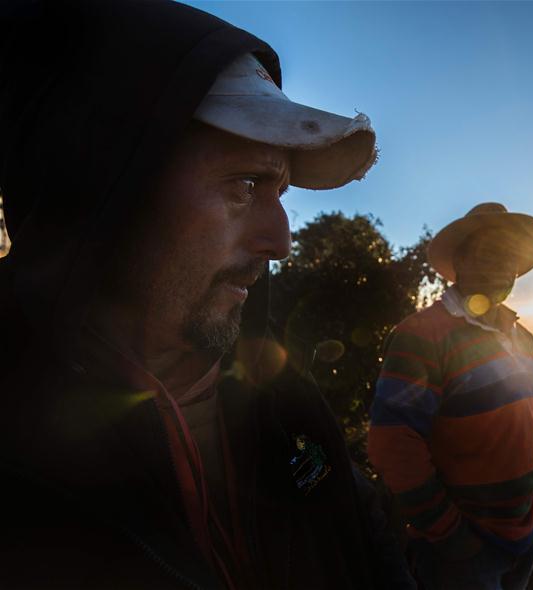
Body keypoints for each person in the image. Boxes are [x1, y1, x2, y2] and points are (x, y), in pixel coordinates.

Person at [0, 1, 414, 588]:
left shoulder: (280, 397)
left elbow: (358, 525)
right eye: (245, 185)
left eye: (280, 193)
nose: (281, 242)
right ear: (101, 189)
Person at [368, 202, 533, 589]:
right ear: (461, 261)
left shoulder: (524, 338)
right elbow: (393, 442)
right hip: (463, 554)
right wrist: (452, 537)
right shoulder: (422, 335)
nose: (503, 267)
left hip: (522, 538)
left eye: (511, 259)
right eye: (491, 253)